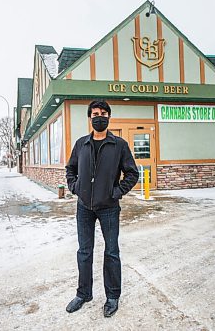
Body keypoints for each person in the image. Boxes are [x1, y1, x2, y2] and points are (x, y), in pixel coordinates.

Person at [65, 100, 139, 318]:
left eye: (103, 113)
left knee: (111, 252)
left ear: (109, 117)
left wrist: (116, 192)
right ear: (90, 117)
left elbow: (132, 173)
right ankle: (83, 293)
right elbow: (70, 169)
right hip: (84, 208)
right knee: (84, 252)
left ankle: (112, 296)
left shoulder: (119, 145)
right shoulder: (81, 144)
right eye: (95, 113)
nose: (99, 117)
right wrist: (75, 187)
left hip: (109, 208)